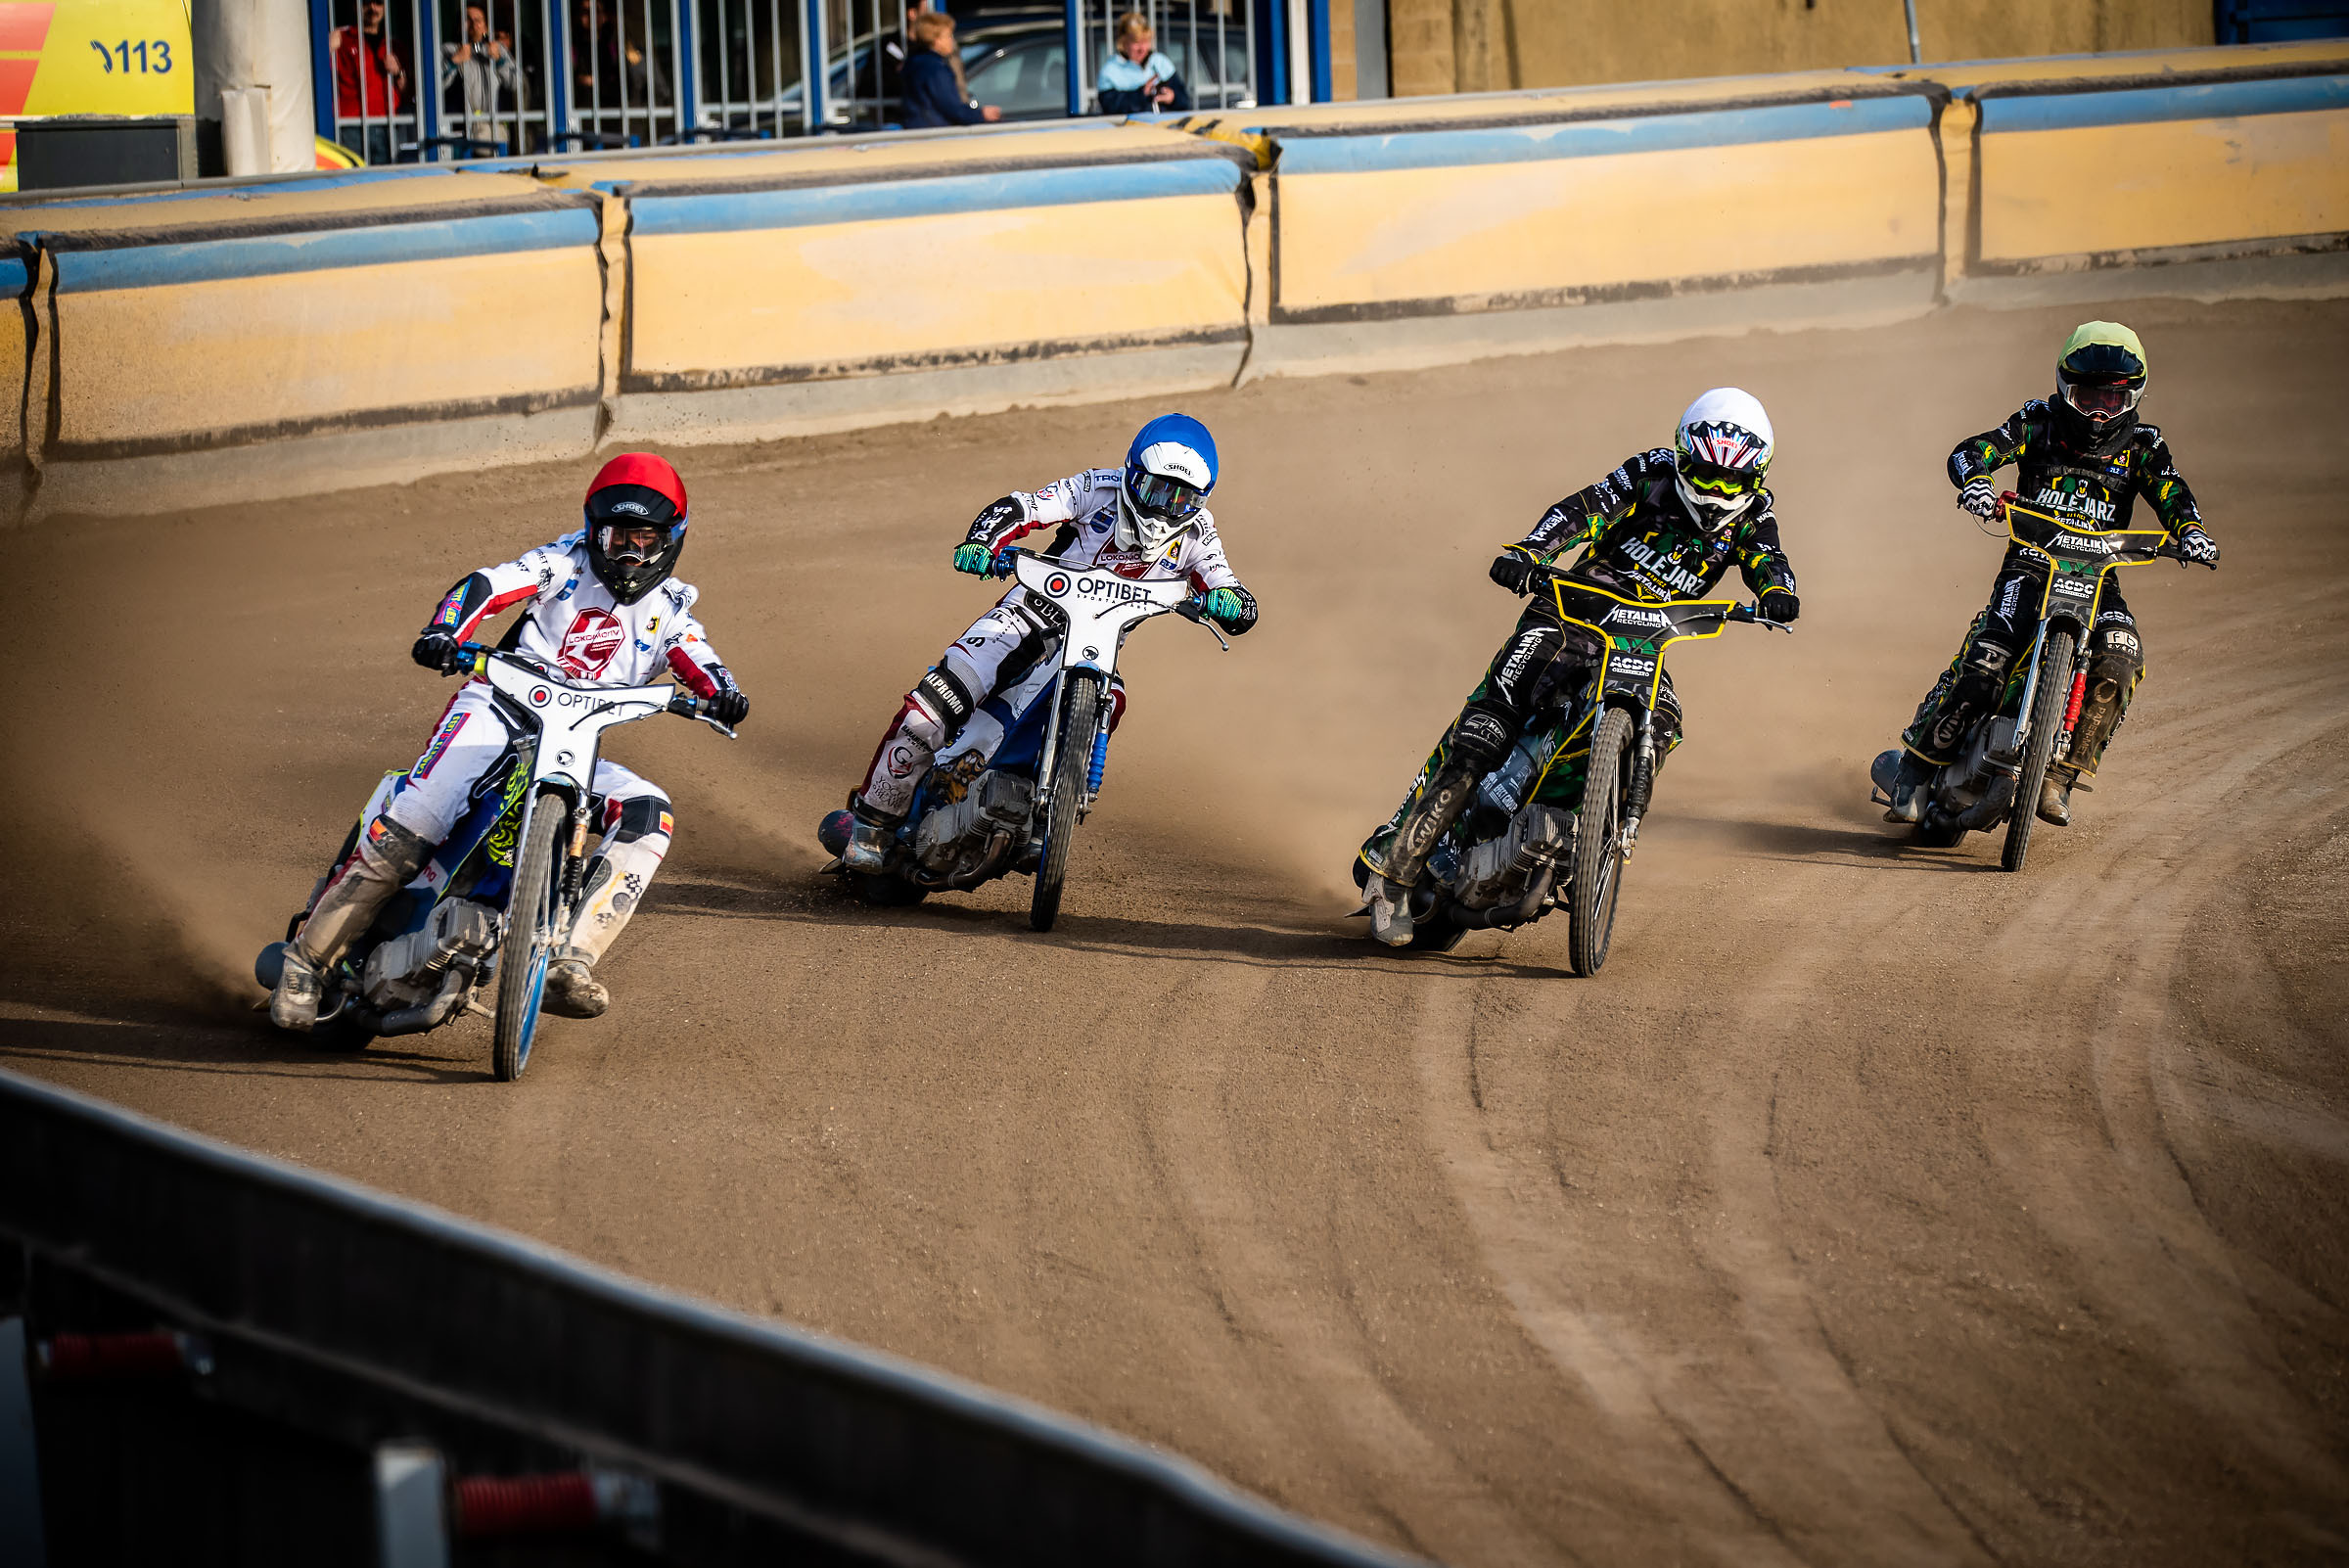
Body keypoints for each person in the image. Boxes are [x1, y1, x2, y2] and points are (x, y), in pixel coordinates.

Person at [267, 454, 750, 1033]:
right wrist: (446, 629)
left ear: (672, 541)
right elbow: (488, 585)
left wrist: (724, 693)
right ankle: (307, 964)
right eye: (618, 539)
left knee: (651, 812)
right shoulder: (560, 564)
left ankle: (568, 959)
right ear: (595, 532)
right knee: (419, 814)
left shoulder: (671, 609)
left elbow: (703, 660)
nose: (629, 556)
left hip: (574, 744)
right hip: (497, 710)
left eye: (644, 542)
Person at [1357, 390, 1797, 946]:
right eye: (1706, 475)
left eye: (1731, 481)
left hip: (1647, 641)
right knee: (1488, 727)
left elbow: (1769, 559)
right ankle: (1393, 875)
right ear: (1684, 457)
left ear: (1755, 477)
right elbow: (1581, 511)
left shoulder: (1755, 513)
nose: (1716, 493)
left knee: (1664, 721)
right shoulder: (1649, 472)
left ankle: (1591, 835)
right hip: (1571, 612)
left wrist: (1778, 591)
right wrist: (1530, 553)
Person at [834, 414, 1257, 870]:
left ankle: (1047, 817)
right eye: (1156, 491)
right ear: (1133, 475)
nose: (1165, 509)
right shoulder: (1098, 489)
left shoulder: (1198, 533)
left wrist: (1233, 604)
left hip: (1093, 646)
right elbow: (1023, 507)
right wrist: (982, 541)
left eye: (1182, 498)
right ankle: (871, 826)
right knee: (934, 708)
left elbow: (1229, 586)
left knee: (1110, 699)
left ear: (1202, 499)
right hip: (1025, 617)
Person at [1880, 322, 2218, 828]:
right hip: (2030, 564)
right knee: (1986, 661)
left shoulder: (2144, 443)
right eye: (2087, 397)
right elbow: (1973, 450)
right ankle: (1914, 768)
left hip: (2100, 575)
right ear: (2065, 388)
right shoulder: (2038, 421)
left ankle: (2059, 775)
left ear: (2133, 395)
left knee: (2122, 657)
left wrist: (2191, 530)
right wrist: (1976, 482)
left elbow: (2170, 491)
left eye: (2113, 397)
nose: (2100, 410)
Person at [333, 0, 408, 164]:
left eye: (379, 3)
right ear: (355, 6)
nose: (373, 8)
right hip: (351, 126)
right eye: (366, 3)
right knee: (353, 183)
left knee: (386, 184)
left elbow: (408, 92)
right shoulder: (342, 40)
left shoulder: (394, 45)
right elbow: (319, 77)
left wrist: (399, 72)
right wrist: (327, 48)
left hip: (387, 124)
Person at [902, 10, 1000, 128]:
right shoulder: (935, 69)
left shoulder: (915, 62)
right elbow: (950, 107)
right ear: (936, 40)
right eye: (948, 36)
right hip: (935, 132)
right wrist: (981, 114)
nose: (952, 41)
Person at [442, 4, 520, 150]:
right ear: (459, 26)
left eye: (479, 20)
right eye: (468, 19)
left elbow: (516, 84)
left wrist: (499, 61)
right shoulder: (448, 49)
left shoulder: (498, 49)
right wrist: (453, 62)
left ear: (486, 27)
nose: (474, 23)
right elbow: (433, 87)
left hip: (494, 127)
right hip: (461, 128)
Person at [1096, 13, 1189, 114]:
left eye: (1145, 41)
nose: (1142, 49)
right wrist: (1142, 94)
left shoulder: (1160, 63)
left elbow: (1185, 101)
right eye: (1136, 42)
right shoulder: (1110, 70)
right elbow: (1111, 109)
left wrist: (1173, 98)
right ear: (1123, 42)